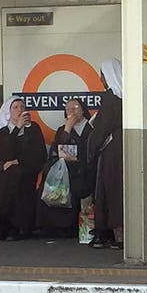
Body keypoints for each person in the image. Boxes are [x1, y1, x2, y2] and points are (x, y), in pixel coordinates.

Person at [0, 96, 47, 240]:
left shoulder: (33, 129)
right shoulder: (2, 132)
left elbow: (39, 154)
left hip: (27, 170)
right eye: (15, 107)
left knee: (15, 175)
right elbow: (5, 153)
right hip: (5, 173)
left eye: (22, 107)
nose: (20, 110)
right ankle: (3, 223)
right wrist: (16, 129)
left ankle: (17, 225)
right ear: (8, 112)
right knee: (7, 178)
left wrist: (18, 161)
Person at [36, 98, 94, 237]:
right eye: (68, 109)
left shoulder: (91, 128)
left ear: (83, 110)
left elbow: (93, 151)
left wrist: (77, 159)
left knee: (79, 182)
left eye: (75, 107)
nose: (72, 111)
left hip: (86, 168)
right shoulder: (63, 129)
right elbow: (58, 148)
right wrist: (68, 128)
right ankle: (55, 227)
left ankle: (73, 226)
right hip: (67, 169)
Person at [88, 58, 124, 249]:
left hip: (111, 153)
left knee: (108, 191)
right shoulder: (126, 97)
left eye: (102, 75)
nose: (101, 79)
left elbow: (101, 128)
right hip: (122, 151)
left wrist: (91, 147)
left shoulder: (110, 98)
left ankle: (109, 233)